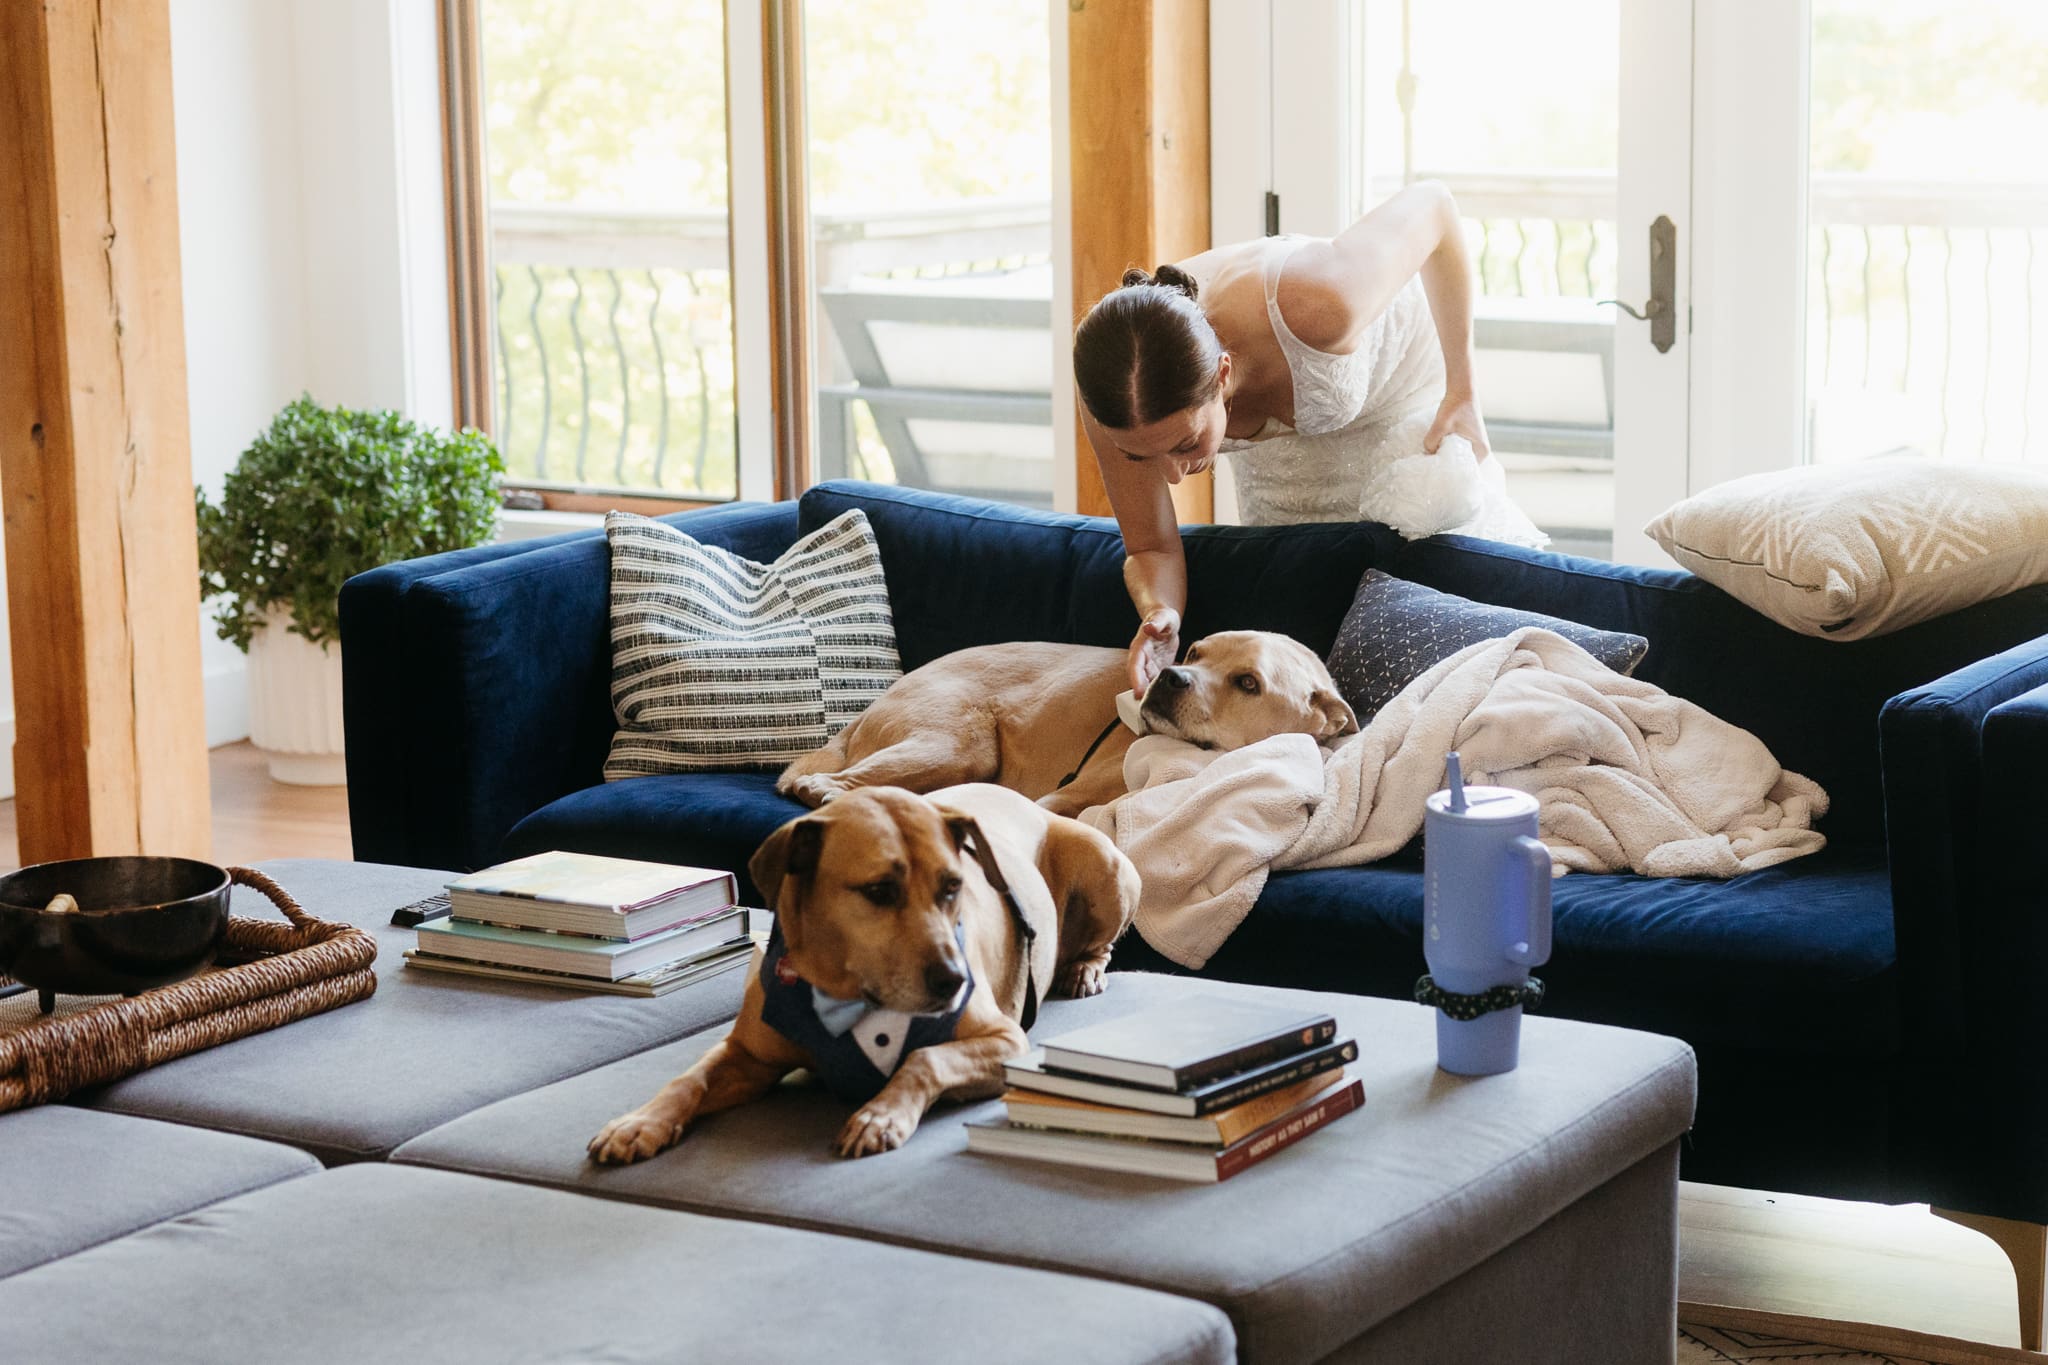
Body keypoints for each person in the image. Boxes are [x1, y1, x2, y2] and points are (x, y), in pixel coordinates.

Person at [1072, 180, 1541, 694]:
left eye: (1185, 445)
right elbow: (1153, 548)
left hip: (1396, 394)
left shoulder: (1318, 302)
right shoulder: (1116, 397)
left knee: (1440, 611)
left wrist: (1463, 391)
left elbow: (1436, 207)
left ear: (1223, 375)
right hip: (1281, 472)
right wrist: (1161, 614)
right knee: (1305, 633)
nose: (1174, 475)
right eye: (1140, 457)